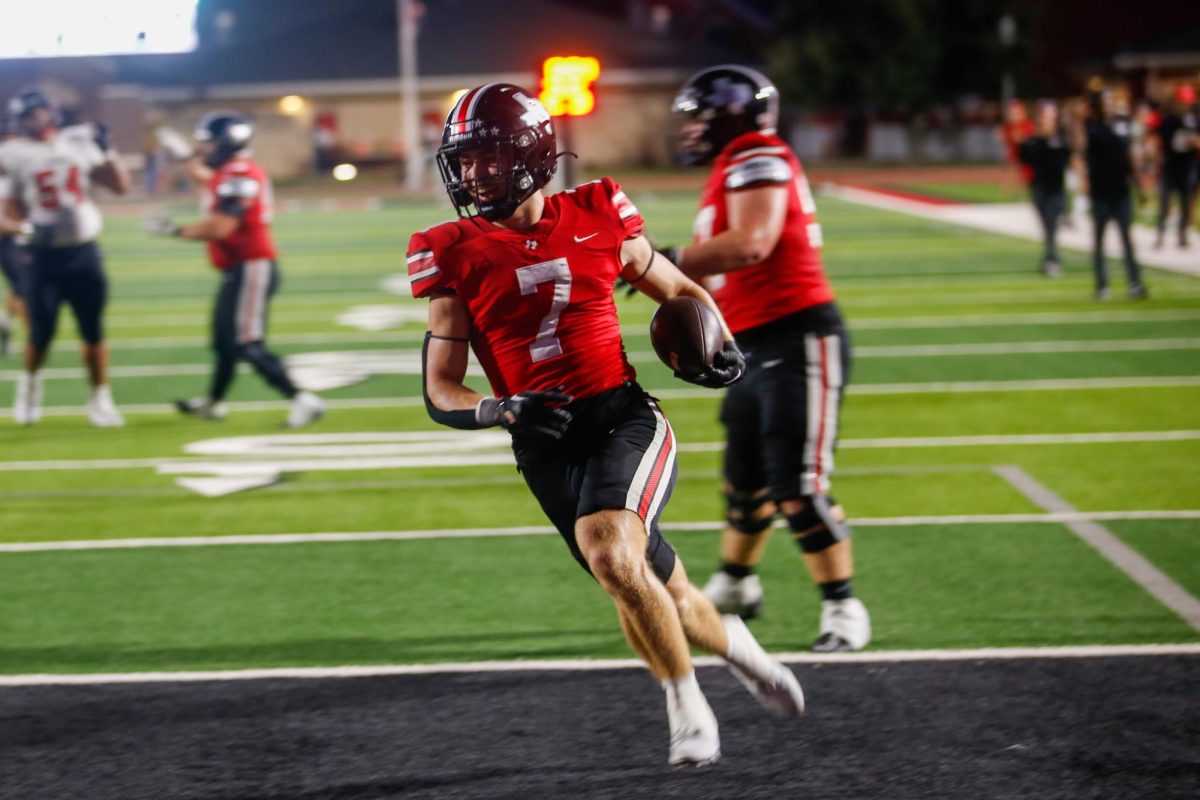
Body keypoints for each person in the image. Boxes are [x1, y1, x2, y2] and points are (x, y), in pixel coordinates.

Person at [413, 83, 804, 768]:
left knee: (610, 552)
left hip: (620, 415)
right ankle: (739, 647)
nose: (471, 174)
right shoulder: (447, 248)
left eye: (486, 157)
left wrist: (719, 343)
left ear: (531, 155)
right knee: (653, 586)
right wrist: (500, 409)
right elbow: (439, 390)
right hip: (541, 442)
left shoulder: (597, 209)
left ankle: (686, 706)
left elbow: (677, 289)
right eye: (464, 160)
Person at [659, 65, 870, 653]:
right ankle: (736, 582)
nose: (693, 129)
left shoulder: (756, 149)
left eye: (701, 115)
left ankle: (844, 607)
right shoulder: (731, 165)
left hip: (798, 334)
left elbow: (753, 242)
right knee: (744, 477)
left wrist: (666, 260)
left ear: (732, 112)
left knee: (796, 484)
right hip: (754, 340)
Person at [147, 112, 324, 428]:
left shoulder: (239, 174)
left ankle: (301, 399)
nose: (204, 151)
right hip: (239, 269)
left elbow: (221, 226)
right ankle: (213, 403)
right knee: (223, 342)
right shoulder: (231, 172)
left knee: (247, 343)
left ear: (227, 143)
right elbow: (206, 180)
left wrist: (172, 230)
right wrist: (185, 155)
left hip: (252, 268)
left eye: (208, 144)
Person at [0, 87, 128, 426]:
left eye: (40, 111)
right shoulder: (11, 153)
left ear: (52, 111)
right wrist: (22, 230)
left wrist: (108, 148)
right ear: (19, 121)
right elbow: (5, 212)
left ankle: (101, 398)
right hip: (42, 256)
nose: (36, 119)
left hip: (83, 251)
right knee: (41, 334)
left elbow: (119, 186)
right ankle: (28, 389)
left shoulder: (77, 142)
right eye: (29, 115)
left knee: (93, 330)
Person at [1078, 88, 1147, 301]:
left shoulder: (1123, 124)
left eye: (1111, 101)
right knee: (1099, 241)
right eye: (1105, 101)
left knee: (1127, 239)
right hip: (1100, 191)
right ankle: (1102, 285)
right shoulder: (1090, 127)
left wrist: (1139, 185)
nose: (1109, 105)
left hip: (1121, 190)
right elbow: (1080, 151)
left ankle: (1135, 283)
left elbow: (1130, 156)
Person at [1018, 100, 1072, 276]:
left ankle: (1051, 260)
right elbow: (1024, 159)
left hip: (1056, 190)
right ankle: (1050, 259)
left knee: (1050, 227)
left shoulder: (1060, 139)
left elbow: (1069, 158)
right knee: (1047, 228)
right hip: (1039, 189)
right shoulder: (1033, 141)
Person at [1152, 84, 1198, 249]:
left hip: (1187, 168)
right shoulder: (1168, 120)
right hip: (1170, 166)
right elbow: (1164, 143)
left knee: (1186, 203)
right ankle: (1160, 234)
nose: (1185, 106)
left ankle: (1182, 235)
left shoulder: (1193, 119)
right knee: (1165, 203)